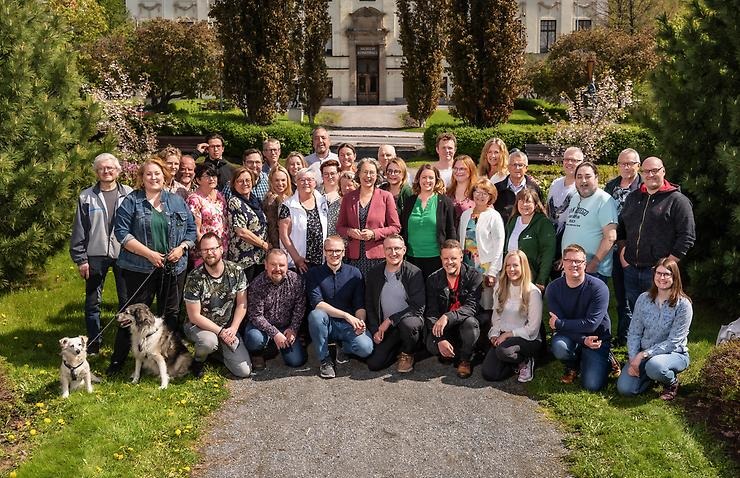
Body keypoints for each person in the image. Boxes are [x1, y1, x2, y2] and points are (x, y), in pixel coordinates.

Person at [109, 157, 196, 375]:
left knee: (170, 316)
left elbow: (191, 230)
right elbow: (121, 233)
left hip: (173, 269)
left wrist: (182, 248)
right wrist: (148, 254)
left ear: (164, 176)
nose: (153, 177)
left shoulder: (176, 201)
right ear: (142, 178)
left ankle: (170, 362)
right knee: (132, 315)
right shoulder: (131, 202)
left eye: (157, 173)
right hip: (138, 269)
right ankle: (117, 363)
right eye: (148, 174)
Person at [617, 156, 695, 340]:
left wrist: (666, 266)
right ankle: (636, 348)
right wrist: (623, 256)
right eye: (646, 171)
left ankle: (660, 349)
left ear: (663, 171)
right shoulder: (633, 198)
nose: (650, 175)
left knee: (660, 315)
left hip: (658, 273)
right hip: (631, 268)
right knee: (636, 312)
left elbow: (687, 237)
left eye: (655, 170)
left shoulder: (678, 201)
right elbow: (622, 229)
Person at [70, 153, 133, 354]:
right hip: (95, 254)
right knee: (93, 302)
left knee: (126, 300)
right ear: (96, 172)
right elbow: (79, 230)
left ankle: (124, 344)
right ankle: (94, 343)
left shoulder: (130, 194)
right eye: (101, 168)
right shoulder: (86, 197)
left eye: (110, 168)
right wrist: (81, 259)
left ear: (118, 171)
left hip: (124, 253)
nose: (106, 171)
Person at [616, 258, 692, 401]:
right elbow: (634, 332)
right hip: (644, 354)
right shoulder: (643, 299)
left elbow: (673, 342)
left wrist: (643, 354)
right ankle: (651, 377)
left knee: (655, 365)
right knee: (625, 389)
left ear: (674, 277)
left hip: (673, 353)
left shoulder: (683, 305)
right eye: (658, 273)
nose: (662, 278)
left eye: (666, 274)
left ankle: (671, 382)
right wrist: (633, 359)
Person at [183, 232, 252, 378]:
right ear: (200, 252)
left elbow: (242, 304)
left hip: (228, 328)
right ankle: (198, 361)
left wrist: (233, 329)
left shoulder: (236, 271)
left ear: (221, 249)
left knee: (244, 371)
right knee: (208, 342)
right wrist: (220, 332)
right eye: (205, 250)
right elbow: (194, 316)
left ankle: (215, 354)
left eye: (213, 249)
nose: (209, 253)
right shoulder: (194, 277)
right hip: (199, 326)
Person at [546, 244, 611, 391]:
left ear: (585, 264)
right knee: (559, 347)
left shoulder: (598, 288)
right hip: (571, 336)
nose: (573, 264)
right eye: (569, 260)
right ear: (563, 263)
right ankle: (572, 365)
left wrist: (559, 323)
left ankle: (606, 360)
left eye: (578, 261)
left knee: (592, 385)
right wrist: (582, 340)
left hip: (595, 339)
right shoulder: (553, 288)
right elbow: (559, 325)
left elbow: (591, 325)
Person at [306, 236, 373, 379]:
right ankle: (325, 360)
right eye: (330, 250)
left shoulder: (355, 273)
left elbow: (359, 304)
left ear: (344, 252)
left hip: (348, 325)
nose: (334, 254)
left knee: (366, 348)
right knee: (316, 315)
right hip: (326, 323)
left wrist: (360, 322)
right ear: (324, 252)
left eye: (338, 251)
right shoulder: (313, 274)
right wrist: (346, 315)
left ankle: (342, 347)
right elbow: (318, 304)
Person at [365, 235, 426, 373]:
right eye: (389, 249)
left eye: (397, 248)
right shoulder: (374, 273)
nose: (393, 253)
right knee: (374, 364)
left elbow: (418, 307)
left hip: (407, 323)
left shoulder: (414, 273)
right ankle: (398, 350)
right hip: (387, 329)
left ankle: (408, 352)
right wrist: (375, 329)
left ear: (404, 250)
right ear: (383, 250)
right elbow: (369, 304)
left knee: (408, 325)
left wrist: (390, 320)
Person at [481, 250, 543, 383]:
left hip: (527, 338)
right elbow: (496, 316)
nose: (511, 269)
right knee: (489, 374)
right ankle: (514, 364)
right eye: (508, 265)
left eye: (515, 265)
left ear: (523, 267)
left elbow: (532, 328)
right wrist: (495, 334)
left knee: (503, 351)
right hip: (505, 336)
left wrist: (507, 335)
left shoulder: (533, 292)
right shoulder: (500, 287)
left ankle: (527, 360)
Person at [425, 240, 483, 379]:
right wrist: (440, 339)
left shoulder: (474, 275)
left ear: (461, 257)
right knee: (431, 345)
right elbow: (431, 312)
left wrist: (448, 316)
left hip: (464, 322)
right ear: (441, 258)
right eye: (445, 258)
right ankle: (452, 351)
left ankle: (465, 359)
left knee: (471, 324)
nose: (449, 262)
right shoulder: (433, 279)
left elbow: (471, 307)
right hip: (446, 327)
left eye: (453, 258)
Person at [336, 158, 401, 276]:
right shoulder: (348, 198)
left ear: (377, 176)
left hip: (378, 258)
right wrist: (350, 232)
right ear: (359, 174)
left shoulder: (386, 196)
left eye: (372, 172)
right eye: (365, 172)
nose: (368, 176)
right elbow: (340, 227)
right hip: (354, 259)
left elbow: (395, 227)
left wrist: (374, 233)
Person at [245, 249, 307, 370]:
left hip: (285, 327)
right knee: (254, 339)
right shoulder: (257, 284)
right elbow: (256, 316)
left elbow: (300, 308)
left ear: (287, 266)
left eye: (282, 265)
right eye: (273, 264)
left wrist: (293, 329)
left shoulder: (296, 281)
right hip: (261, 329)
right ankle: (257, 354)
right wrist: (275, 334)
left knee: (296, 361)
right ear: (266, 265)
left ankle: (275, 347)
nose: (277, 269)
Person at [604, 148, 642, 345]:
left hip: (635, 249)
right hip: (613, 247)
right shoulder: (611, 186)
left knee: (635, 295)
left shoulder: (642, 187)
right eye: (622, 163)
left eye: (630, 164)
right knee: (620, 294)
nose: (626, 167)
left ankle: (636, 335)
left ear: (638, 166)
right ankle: (623, 336)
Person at [561, 161, 618, 283]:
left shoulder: (604, 200)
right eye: (579, 177)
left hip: (592, 270)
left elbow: (610, 237)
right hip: (571, 266)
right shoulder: (575, 198)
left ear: (596, 178)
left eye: (587, 176)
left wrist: (595, 262)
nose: (583, 181)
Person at [400, 164, 457, 279]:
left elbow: (451, 231)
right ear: (418, 179)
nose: (427, 181)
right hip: (412, 258)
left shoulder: (445, 202)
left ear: (436, 180)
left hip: (437, 259)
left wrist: (451, 256)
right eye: (424, 177)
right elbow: (403, 228)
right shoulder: (410, 201)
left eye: (431, 177)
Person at [458, 179, 504, 311]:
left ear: (491, 196)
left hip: (485, 267)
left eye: (485, 193)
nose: (480, 196)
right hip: (467, 265)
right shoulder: (466, 215)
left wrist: (493, 271)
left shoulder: (494, 216)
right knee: (468, 301)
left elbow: (499, 245)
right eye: (477, 192)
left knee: (486, 303)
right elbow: (461, 240)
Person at [504, 188, 556, 291]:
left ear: (536, 204)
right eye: (521, 201)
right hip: (511, 276)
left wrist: (541, 280)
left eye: (528, 201)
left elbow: (548, 253)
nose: (524, 204)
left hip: (532, 278)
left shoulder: (543, 223)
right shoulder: (513, 221)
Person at [279, 168, 328, 272]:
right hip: (300, 263)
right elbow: (284, 235)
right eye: (302, 180)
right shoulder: (288, 206)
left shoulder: (323, 202)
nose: (306, 183)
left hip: (321, 261)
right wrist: (297, 259)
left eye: (309, 180)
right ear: (296, 183)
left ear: (315, 183)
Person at [227, 168, 269, 281]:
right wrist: (264, 244)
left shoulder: (255, 200)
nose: (245, 184)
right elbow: (241, 232)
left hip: (259, 257)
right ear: (234, 184)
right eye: (240, 181)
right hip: (245, 259)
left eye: (248, 180)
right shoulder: (234, 202)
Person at [187, 162, 229, 266]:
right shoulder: (194, 199)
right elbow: (196, 230)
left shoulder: (219, 195)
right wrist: (207, 249)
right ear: (198, 180)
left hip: (221, 246)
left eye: (214, 175)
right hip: (206, 250)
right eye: (207, 176)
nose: (212, 179)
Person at [493, 150, 543, 224]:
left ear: (526, 168)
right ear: (508, 167)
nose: (517, 168)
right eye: (514, 164)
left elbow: (540, 213)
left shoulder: (534, 188)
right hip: (503, 229)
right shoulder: (497, 189)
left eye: (520, 165)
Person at [262, 165, 293, 250]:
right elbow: (272, 228)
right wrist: (277, 249)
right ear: (271, 182)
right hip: (278, 247)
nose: (280, 183)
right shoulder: (271, 201)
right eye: (276, 180)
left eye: (283, 180)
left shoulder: (289, 198)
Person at [447, 155, 478, 224]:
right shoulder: (447, 193)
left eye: (462, 169)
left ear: (471, 170)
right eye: (455, 168)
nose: (458, 171)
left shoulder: (478, 193)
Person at [320, 159, 342, 236]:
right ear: (322, 176)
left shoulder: (344, 196)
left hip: (340, 239)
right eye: (326, 174)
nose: (329, 176)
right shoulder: (316, 196)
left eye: (332, 173)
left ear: (339, 174)